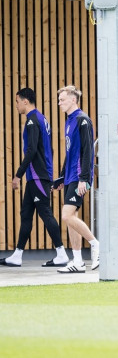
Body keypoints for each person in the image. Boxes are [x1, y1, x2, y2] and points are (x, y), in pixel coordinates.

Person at [0, 88, 69, 267]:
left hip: (37, 176)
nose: (15, 105)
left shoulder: (32, 121)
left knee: (45, 212)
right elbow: (49, 149)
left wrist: (17, 175)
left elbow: (31, 150)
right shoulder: (42, 118)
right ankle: (17, 255)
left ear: (25, 101)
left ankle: (61, 253)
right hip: (37, 176)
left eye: (17, 101)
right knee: (26, 215)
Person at [54, 86, 99, 273]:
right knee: (71, 218)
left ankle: (96, 245)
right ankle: (78, 261)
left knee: (66, 215)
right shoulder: (69, 121)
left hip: (80, 176)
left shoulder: (82, 120)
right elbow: (70, 152)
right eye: (58, 100)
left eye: (62, 99)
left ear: (73, 99)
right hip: (71, 176)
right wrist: (62, 177)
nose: (59, 103)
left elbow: (88, 151)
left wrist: (84, 178)